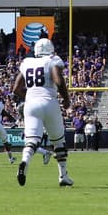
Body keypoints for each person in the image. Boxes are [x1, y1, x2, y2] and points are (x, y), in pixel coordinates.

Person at [12, 38, 73, 187]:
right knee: (58, 141)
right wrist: (66, 99)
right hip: (48, 101)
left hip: (31, 103)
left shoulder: (27, 62)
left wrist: (30, 97)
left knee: (31, 140)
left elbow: (16, 89)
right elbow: (58, 81)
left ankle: (25, 161)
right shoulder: (52, 60)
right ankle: (62, 175)